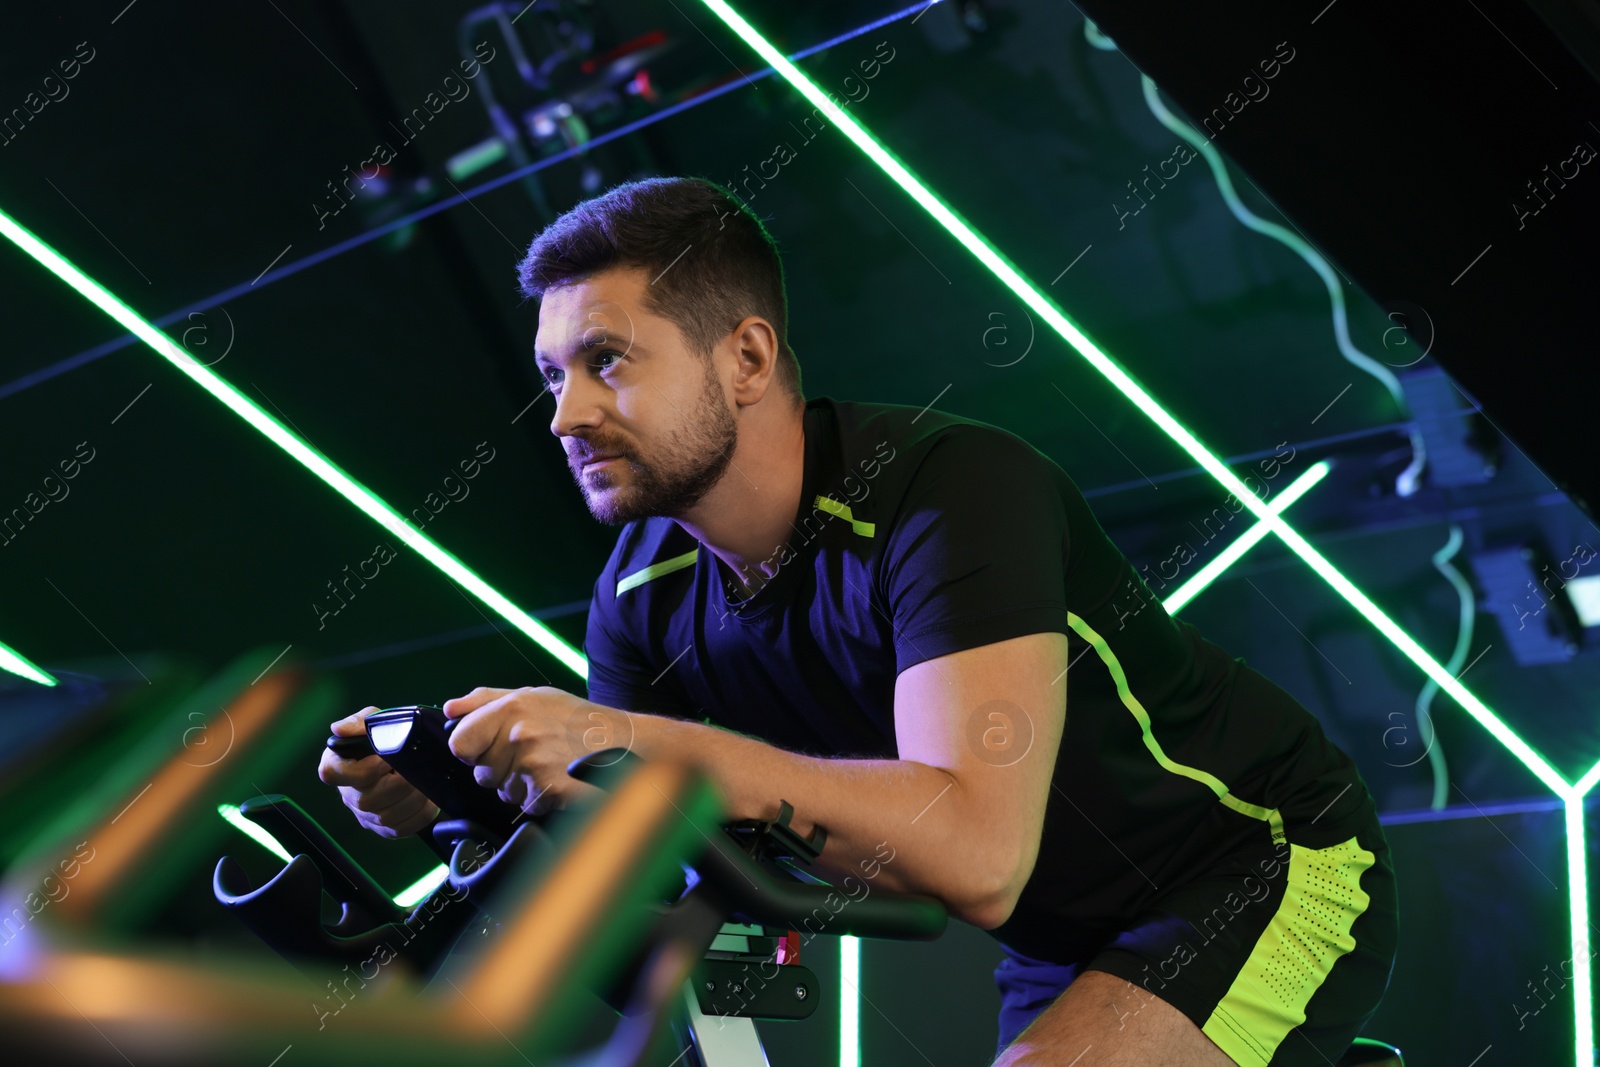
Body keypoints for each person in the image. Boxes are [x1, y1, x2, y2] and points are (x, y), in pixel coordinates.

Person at [319, 176, 1397, 1066]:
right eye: (553, 374)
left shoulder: (946, 492)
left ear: (743, 358)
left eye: (608, 360)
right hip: (1059, 939)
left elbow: (976, 852)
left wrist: (631, 742)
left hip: (1258, 859)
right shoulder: (639, 596)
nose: (565, 413)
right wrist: (469, 803)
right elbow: (691, 883)